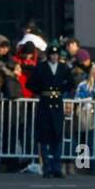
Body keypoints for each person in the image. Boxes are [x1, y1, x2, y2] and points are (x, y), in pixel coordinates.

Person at [28, 44, 72, 178]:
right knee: (44, 137)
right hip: (45, 104)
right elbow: (30, 83)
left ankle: (56, 167)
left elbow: (71, 82)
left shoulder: (63, 67)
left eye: (56, 54)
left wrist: (60, 90)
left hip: (57, 103)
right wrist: (41, 90)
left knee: (57, 136)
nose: (54, 57)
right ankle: (46, 167)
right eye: (52, 54)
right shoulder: (41, 68)